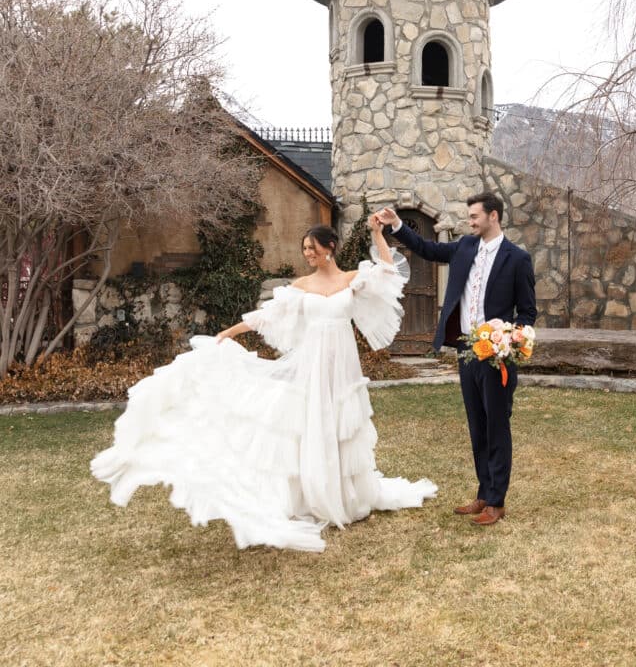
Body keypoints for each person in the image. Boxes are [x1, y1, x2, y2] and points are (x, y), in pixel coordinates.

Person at [91, 217, 436, 553]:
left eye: (312, 247)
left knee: (342, 425)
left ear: (330, 247)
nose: (307, 254)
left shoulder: (351, 279)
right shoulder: (301, 287)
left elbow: (388, 274)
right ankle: (317, 493)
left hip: (343, 367)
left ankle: (348, 494)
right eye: (304, 249)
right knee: (314, 423)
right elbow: (265, 316)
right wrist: (228, 332)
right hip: (312, 366)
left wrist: (378, 233)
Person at [376, 194, 536, 526]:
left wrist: (509, 340)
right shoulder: (464, 247)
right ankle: (483, 493)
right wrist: (396, 225)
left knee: (497, 425)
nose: (470, 222)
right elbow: (427, 249)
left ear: (494, 216)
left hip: (497, 357)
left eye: (475, 216)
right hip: (466, 351)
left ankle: (497, 501)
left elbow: (528, 312)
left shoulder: (517, 259)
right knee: (477, 425)